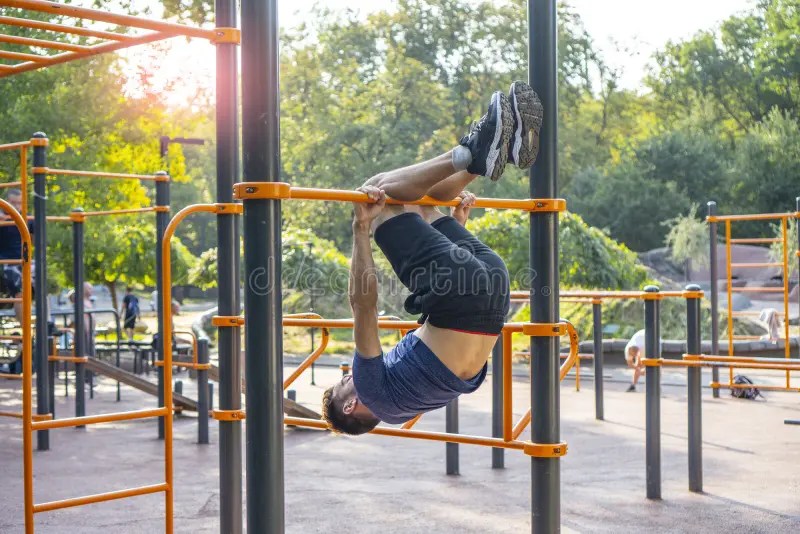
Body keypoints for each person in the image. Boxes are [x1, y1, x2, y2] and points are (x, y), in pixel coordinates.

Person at [321, 82, 543, 435]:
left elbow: (446, 347)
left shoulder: (407, 404)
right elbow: (363, 306)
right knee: (381, 192)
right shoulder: (373, 389)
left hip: (492, 289)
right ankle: (471, 152)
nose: (349, 372)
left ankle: (499, 151)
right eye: (345, 379)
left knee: (423, 204)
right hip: (461, 294)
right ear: (351, 404)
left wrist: (455, 232)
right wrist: (360, 230)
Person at [0, 188, 33, 326]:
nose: (16, 207)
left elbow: (37, 237)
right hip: (7, 262)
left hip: (25, 261)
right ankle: (26, 331)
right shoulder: (3, 218)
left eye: (19, 203)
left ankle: (48, 323)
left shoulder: (26, 217)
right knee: (20, 293)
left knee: (44, 286)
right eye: (13, 203)